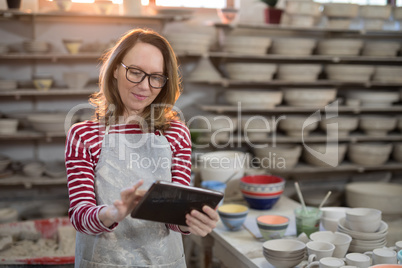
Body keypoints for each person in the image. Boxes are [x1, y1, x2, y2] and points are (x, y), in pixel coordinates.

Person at [65, 28, 219, 268]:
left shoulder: (176, 134)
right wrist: (113, 214)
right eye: (135, 72)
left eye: (156, 77)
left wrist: (191, 220)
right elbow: (80, 216)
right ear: (115, 68)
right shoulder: (83, 136)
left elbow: (174, 219)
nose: (145, 86)